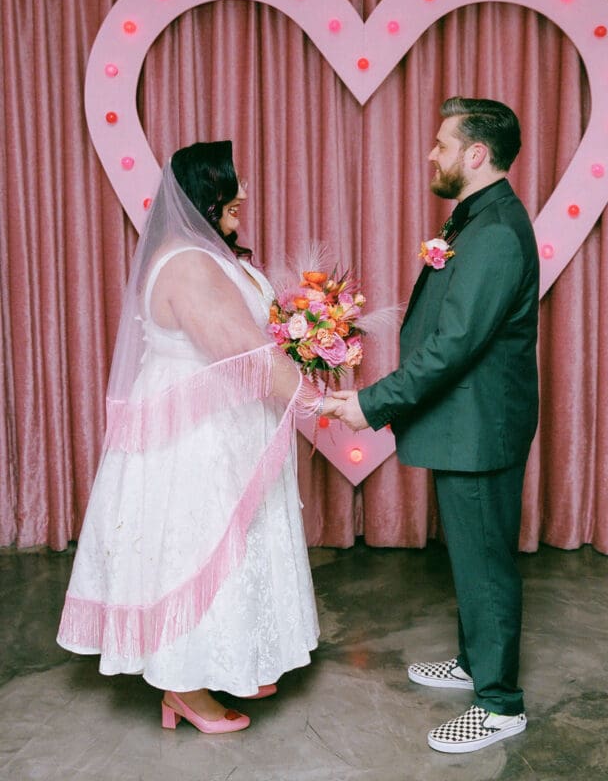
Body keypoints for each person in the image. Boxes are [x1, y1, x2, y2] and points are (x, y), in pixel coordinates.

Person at [58, 140, 321, 734]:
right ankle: (184, 687)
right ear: (207, 192)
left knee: (232, 544)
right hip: (196, 435)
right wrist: (321, 399)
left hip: (222, 422)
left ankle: (233, 658)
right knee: (198, 546)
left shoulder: (208, 254)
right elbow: (245, 351)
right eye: (235, 184)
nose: (245, 195)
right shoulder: (187, 263)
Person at [331, 97, 539, 754]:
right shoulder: (476, 219)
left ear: (476, 155)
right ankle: (476, 663)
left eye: (442, 144)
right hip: (467, 420)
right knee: (472, 553)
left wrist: (369, 405)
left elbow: (454, 346)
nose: (431, 154)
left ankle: (500, 704)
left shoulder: (497, 231)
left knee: (485, 563)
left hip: (481, 425)